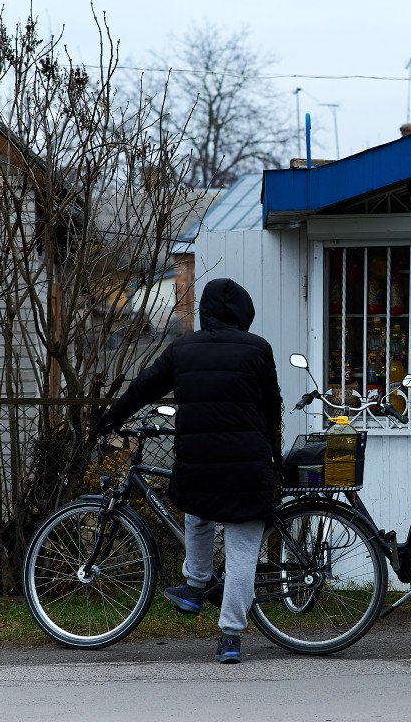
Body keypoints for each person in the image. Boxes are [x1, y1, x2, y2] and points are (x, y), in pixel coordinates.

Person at [98, 278, 281, 664]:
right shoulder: (258, 350)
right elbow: (272, 407)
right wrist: (273, 457)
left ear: (206, 311)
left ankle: (196, 585)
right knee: (243, 550)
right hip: (248, 463)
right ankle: (230, 636)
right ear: (243, 313)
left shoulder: (183, 349)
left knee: (198, 514)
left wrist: (111, 419)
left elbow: (144, 387)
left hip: (198, 460)